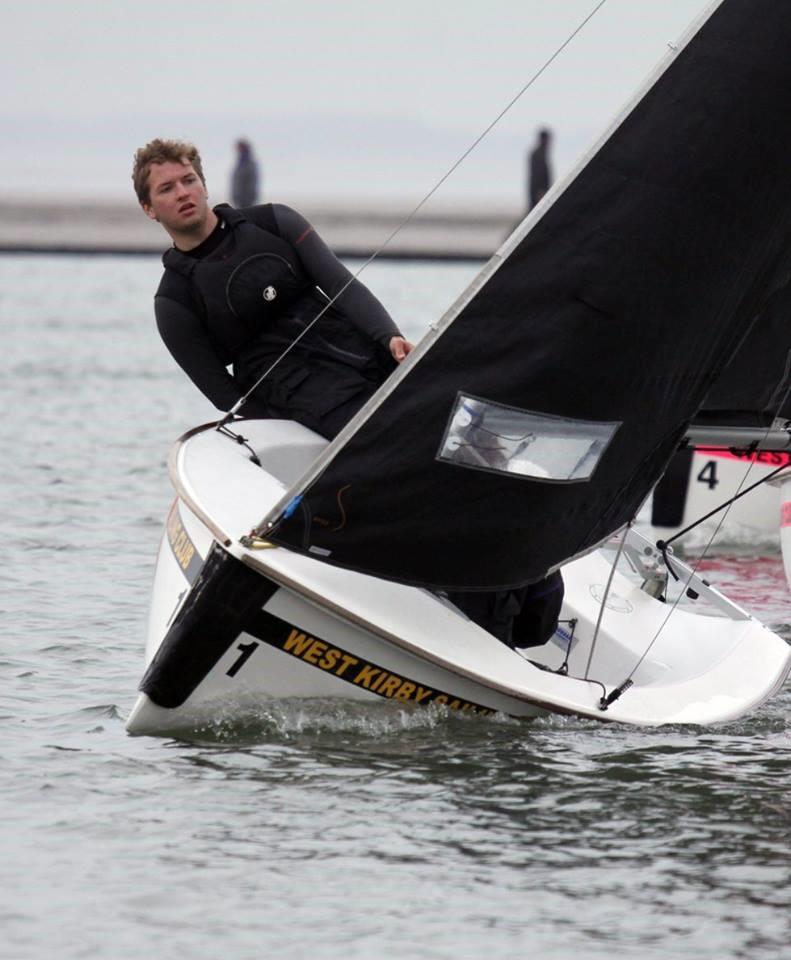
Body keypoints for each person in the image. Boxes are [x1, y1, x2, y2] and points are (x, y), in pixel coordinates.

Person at [131, 138, 413, 439]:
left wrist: (389, 336)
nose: (183, 193)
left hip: (360, 354)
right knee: (389, 434)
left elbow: (340, 284)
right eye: (167, 188)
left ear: (204, 185)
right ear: (149, 209)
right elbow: (223, 394)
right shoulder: (174, 300)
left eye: (189, 180)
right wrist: (289, 435)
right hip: (305, 400)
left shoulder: (275, 222)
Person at [526, 127, 553, 211]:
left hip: (540, 191)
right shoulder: (537, 154)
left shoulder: (542, 153)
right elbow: (537, 175)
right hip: (538, 192)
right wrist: (540, 192)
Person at [231, 138, 260, 207]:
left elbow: (251, 184)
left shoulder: (248, 164)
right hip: (240, 199)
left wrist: (249, 198)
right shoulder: (240, 163)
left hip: (246, 200)